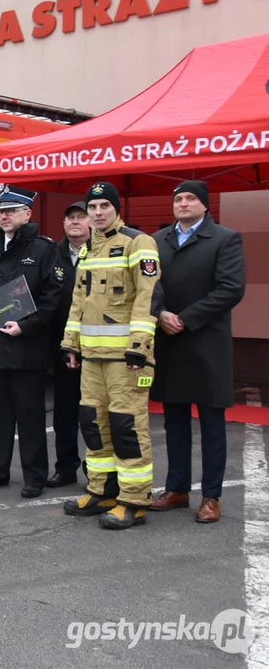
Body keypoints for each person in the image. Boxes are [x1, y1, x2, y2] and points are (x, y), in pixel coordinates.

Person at [61, 181, 160, 530]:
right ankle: (101, 491)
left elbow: (148, 299)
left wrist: (139, 348)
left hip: (125, 361)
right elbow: (78, 303)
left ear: (117, 209)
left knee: (127, 426)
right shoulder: (88, 249)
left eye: (104, 206)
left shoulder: (138, 242)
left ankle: (134, 501)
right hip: (91, 358)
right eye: (92, 207)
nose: (98, 212)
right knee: (94, 424)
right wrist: (70, 344)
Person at [149, 180, 246, 524]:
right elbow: (147, 285)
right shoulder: (157, 241)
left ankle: (211, 496)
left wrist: (187, 319)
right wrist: (159, 314)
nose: (184, 203)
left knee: (211, 424)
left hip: (206, 344)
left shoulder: (225, 239)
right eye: (178, 199)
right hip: (169, 341)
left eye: (191, 198)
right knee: (174, 422)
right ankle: (176, 489)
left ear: (205, 205)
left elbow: (231, 289)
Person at [0, 187, 62, 498]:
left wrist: (25, 327)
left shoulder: (43, 250)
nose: (5, 216)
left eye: (12, 210)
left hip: (27, 350)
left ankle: (34, 477)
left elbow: (53, 299)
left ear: (27, 213)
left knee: (30, 417)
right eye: (1, 211)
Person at [47, 201, 90, 488]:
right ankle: (65, 468)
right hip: (62, 347)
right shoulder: (52, 254)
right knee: (64, 411)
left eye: (81, 217)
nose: (75, 222)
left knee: (95, 413)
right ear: (63, 225)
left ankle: (97, 470)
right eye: (70, 217)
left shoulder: (104, 251)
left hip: (97, 346)